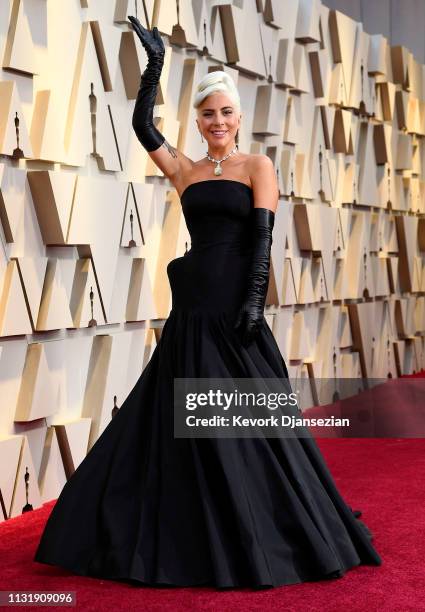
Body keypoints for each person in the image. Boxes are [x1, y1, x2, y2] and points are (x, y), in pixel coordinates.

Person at [33, 17, 382, 589]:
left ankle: (257, 533)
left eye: (224, 112)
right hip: (191, 309)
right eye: (206, 114)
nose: (216, 122)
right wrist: (155, 66)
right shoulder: (185, 170)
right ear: (197, 121)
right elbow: (143, 125)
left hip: (233, 312)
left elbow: (263, 240)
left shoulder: (257, 166)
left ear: (239, 118)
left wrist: (254, 305)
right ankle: (191, 535)